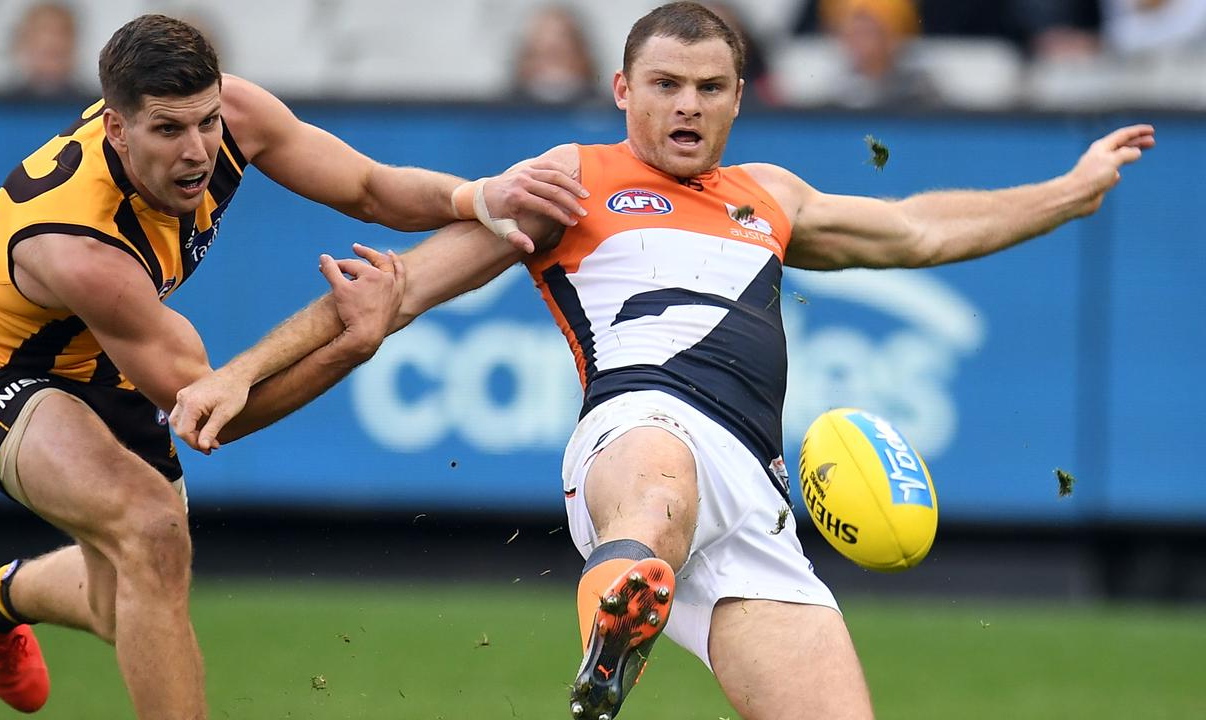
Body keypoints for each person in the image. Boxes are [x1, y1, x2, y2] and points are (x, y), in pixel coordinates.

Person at [169, 3, 1154, 719]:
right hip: (636, 426)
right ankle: (621, 605)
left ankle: (629, 599)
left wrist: (1064, 192)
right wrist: (237, 376)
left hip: (758, 499)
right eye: (665, 86)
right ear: (622, 91)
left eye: (708, 88)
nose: (685, 107)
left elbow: (918, 230)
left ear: (738, 98)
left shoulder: (769, 193)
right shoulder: (567, 182)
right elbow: (395, 291)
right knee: (657, 490)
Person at [0, 14, 585, 720]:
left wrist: (478, 197)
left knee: (133, 602)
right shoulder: (81, 248)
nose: (198, 153)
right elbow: (218, 418)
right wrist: (353, 346)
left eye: (206, 123)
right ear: (117, 130)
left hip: (108, 362)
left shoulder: (234, 111)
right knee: (150, 533)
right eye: (169, 131)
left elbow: (367, 185)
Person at [9, 2, 83, 97]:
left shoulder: (97, 106)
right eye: (43, 31)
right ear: (23, 44)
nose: (52, 41)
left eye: (60, 32)